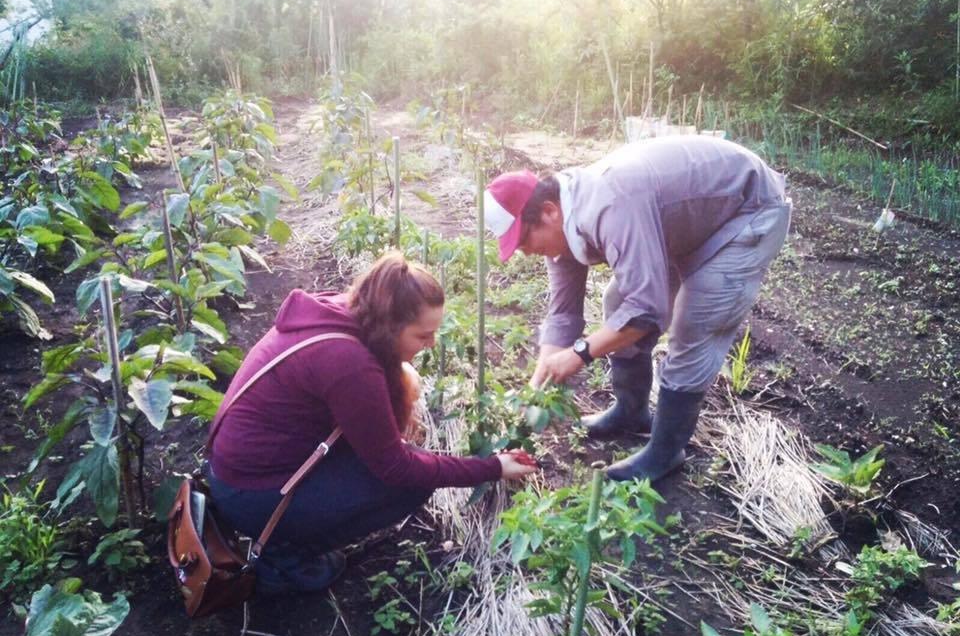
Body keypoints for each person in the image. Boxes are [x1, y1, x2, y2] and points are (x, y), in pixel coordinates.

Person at [206, 252, 537, 594]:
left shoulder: (347, 314)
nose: (431, 345)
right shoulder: (349, 362)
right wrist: (491, 467)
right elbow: (397, 469)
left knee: (398, 459)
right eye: (423, 336)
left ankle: (290, 536)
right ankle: (284, 559)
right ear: (390, 328)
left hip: (242, 470)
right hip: (251, 494)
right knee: (409, 484)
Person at [483, 135, 791, 483]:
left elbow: (646, 311)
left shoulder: (609, 205)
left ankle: (665, 452)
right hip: (690, 220)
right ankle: (631, 413)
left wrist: (578, 354)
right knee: (617, 302)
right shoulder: (562, 221)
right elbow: (563, 314)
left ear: (549, 212)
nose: (524, 252)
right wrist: (538, 384)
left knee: (694, 325)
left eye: (523, 241)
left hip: (745, 212)